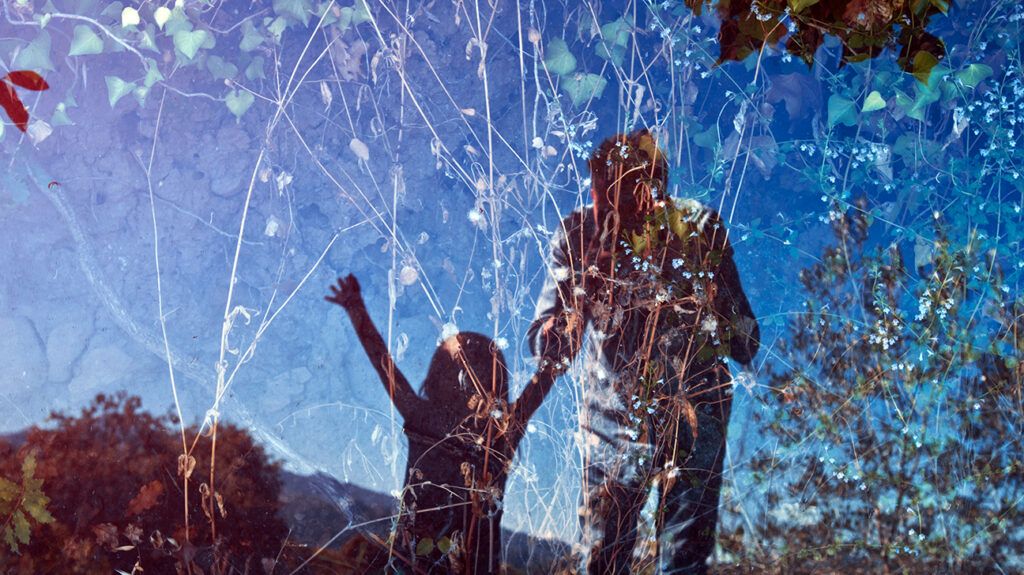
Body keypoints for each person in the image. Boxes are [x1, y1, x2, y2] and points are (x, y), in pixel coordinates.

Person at [528, 129, 759, 574]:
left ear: (656, 194)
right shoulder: (576, 235)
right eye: (602, 197)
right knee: (601, 558)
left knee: (682, 563)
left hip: (697, 419)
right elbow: (547, 344)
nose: (612, 219)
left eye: (628, 203)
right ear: (593, 187)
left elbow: (747, 344)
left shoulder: (700, 229)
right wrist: (565, 321)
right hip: (611, 423)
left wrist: (708, 295)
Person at [326, 274, 558, 574]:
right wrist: (356, 309)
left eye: (474, 364)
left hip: (433, 562)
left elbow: (384, 363)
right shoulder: (480, 428)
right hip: (438, 563)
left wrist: (357, 309)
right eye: (460, 364)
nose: (467, 374)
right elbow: (384, 363)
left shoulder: (494, 429)